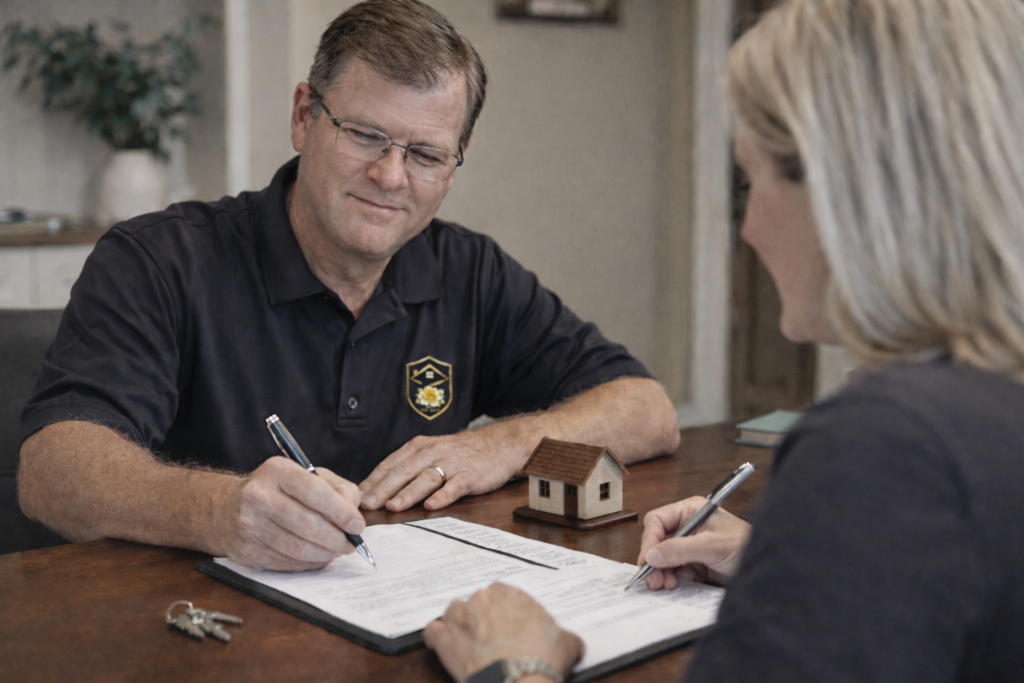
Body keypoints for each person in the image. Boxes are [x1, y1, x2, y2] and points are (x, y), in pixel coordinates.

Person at [423, 0, 1024, 680]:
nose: (748, 228)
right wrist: (794, 561)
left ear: (844, 190)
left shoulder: (887, 443)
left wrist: (514, 664)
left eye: (749, 180)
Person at [17, 0, 679, 571]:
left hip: (394, 616)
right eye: (365, 135)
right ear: (304, 116)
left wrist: (501, 445)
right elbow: (51, 471)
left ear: (454, 167)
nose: (391, 177)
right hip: (189, 625)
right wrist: (219, 509)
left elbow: (648, 410)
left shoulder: (470, 270)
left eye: (426, 154)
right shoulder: (159, 259)